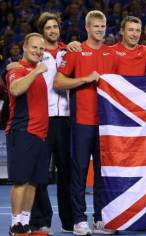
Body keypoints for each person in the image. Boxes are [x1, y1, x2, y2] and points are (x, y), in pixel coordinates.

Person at [54, 10, 116, 235]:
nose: (100, 30)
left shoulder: (112, 53)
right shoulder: (76, 51)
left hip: (107, 124)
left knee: (103, 173)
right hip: (81, 122)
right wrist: (85, 79)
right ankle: (79, 220)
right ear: (87, 28)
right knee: (79, 172)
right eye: (96, 26)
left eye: (103, 26)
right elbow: (58, 82)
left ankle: (100, 218)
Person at [28, 12, 73, 235]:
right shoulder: (37, 54)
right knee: (41, 175)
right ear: (41, 31)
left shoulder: (69, 51)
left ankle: (69, 221)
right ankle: (41, 221)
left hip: (65, 120)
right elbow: (18, 67)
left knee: (66, 173)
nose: (53, 31)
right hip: (42, 120)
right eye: (48, 28)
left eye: (55, 26)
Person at [6, 33, 48, 236]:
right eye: (34, 47)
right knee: (21, 181)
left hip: (40, 135)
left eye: (41, 49)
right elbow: (15, 89)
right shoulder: (18, 70)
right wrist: (36, 71)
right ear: (24, 47)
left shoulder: (36, 70)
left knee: (33, 182)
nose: (38, 52)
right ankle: (15, 225)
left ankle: (25, 224)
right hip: (22, 131)